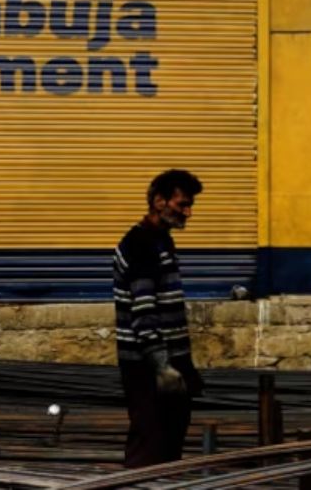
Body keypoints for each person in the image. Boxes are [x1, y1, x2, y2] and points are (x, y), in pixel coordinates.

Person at [113, 169, 205, 468]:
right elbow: (144, 310)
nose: (188, 213)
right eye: (182, 204)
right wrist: (162, 366)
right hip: (147, 365)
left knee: (170, 439)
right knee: (150, 442)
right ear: (159, 201)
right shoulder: (139, 245)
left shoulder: (161, 241)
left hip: (169, 361)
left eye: (190, 205)